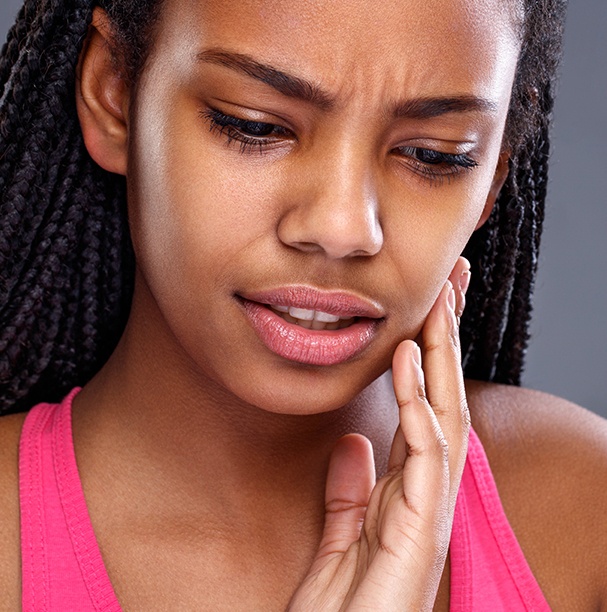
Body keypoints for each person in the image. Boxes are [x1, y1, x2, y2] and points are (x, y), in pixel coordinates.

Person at [0, 0, 605, 609]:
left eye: (435, 154)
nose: (342, 228)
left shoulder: (587, 525)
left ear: (494, 175)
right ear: (114, 94)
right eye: (256, 125)